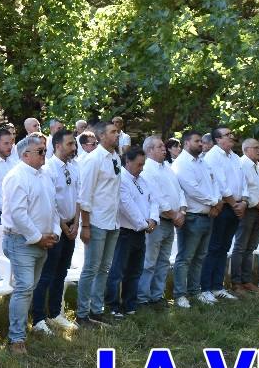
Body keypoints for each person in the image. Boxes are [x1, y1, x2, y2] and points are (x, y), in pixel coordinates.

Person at [2, 133, 59, 354]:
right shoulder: (17, 176)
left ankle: (20, 328)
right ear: (25, 155)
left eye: (46, 150)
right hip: (21, 241)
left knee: (29, 288)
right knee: (24, 288)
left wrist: (53, 233)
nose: (45, 154)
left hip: (42, 241)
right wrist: (38, 237)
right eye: (41, 151)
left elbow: (53, 207)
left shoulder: (44, 175)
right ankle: (16, 339)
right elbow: (18, 214)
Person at [31, 128, 80, 332]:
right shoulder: (49, 168)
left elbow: (78, 195)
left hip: (71, 225)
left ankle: (55, 312)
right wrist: (63, 226)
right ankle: (39, 317)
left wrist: (76, 222)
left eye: (74, 144)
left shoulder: (75, 167)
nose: (73, 148)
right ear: (58, 145)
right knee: (48, 273)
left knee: (62, 271)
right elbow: (51, 203)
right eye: (70, 144)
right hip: (56, 227)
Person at [75, 121, 122, 326]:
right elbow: (84, 196)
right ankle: (82, 313)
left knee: (104, 268)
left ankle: (97, 309)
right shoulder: (93, 160)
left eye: (117, 131)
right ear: (101, 136)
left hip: (113, 221)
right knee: (91, 268)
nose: (117, 134)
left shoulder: (115, 157)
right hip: (96, 221)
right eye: (113, 132)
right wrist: (85, 226)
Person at [104, 146, 157, 318]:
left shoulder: (142, 180)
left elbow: (153, 200)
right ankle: (112, 306)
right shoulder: (121, 180)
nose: (142, 168)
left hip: (141, 231)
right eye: (139, 165)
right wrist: (144, 223)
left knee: (135, 271)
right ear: (128, 161)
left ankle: (129, 304)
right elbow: (126, 205)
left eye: (143, 165)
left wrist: (153, 219)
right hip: (125, 231)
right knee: (117, 270)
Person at [171, 130, 219, 308]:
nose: (201, 144)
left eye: (201, 141)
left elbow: (214, 183)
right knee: (185, 257)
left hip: (207, 215)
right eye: (197, 141)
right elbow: (192, 189)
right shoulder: (182, 163)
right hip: (192, 216)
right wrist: (214, 201)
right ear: (186, 143)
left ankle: (194, 290)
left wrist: (216, 202)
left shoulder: (203, 162)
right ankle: (179, 294)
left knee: (200, 256)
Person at [138, 136, 184, 306]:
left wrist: (182, 211)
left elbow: (179, 191)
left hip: (171, 220)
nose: (164, 149)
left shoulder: (167, 168)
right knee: (149, 261)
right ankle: (143, 297)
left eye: (164, 147)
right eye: (159, 147)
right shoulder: (147, 169)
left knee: (164, 260)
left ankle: (157, 295)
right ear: (149, 150)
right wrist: (174, 214)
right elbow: (156, 196)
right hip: (157, 221)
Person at [201, 126, 245, 301]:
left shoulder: (235, 157)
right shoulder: (212, 156)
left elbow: (243, 183)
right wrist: (235, 204)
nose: (232, 136)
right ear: (218, 140)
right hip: (222, 207)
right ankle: (205, 288)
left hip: (236, 207)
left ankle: (218, 286)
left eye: (231, 134)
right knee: (214, 247)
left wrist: (244, 202)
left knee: (225, 247)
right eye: (228, 135)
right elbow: (220, 183)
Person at [229, 138, 259, 290]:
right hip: (249, 209)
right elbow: (245, 189)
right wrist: (258, 204)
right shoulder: (242, 164)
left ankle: (247, 280)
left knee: (251, 246)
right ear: (246, 150)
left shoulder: (258, 165)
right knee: (240, 246)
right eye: (256, 147)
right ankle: (237, 282)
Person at [0, 127, 18, 225]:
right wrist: (9, 207)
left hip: (17, 213)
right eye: (6, 143)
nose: (10, 146)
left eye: (11, 143)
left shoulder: (15, 163)